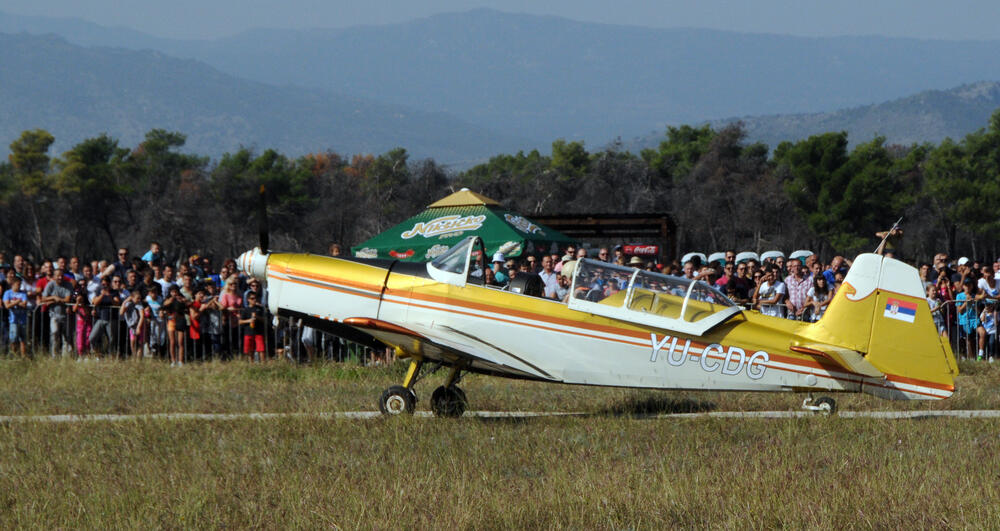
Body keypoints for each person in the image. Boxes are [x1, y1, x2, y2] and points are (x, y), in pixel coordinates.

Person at [41, 266, 74, 357]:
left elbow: (67, 299)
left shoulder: (68, 285)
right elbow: (43, 298)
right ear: (54, 276)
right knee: (54, 333)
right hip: (54, 315)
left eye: (61, 276)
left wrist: (55, 300)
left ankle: (66, 357)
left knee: (66, 337)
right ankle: (54, 355)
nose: (60, 278)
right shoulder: (50, 285)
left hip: (66, 315)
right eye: (58, 276)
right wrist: (53, 297)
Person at [163, 286, 190, 367]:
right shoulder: (168, 299)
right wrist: (170, 300)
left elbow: (188, 305)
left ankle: (180, 361)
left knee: (180, 342)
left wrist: (183, 301)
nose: (174, 293)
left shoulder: (181, 298)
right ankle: (173, 360)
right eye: (172, 292)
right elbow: (164, 305)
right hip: (171, 321)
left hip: (180, 320)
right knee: (172, 342)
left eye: (175, 292)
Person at [3, 276, 29, 359]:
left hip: (23, 320)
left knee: (23, 339)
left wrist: (13, 302)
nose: (19, 286)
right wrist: (18, 301)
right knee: (13, 339)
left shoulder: (23, 293)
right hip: (13, 320)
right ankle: (14, 355)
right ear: (12, 284)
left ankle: (23, 356)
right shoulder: (7, 293)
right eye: (18, 284)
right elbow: (7, 305)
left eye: (20, 284)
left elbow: (24, 304)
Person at [239, 292, 266, 363]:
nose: (254, 300)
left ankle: (263, 364)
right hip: (248, 332)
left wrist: (257, 317)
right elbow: (240, 321)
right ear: (248, 299)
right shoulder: (245, 310)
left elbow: (265, 320)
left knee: (261, 349)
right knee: (249, 349)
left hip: (258, 332)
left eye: (255, 298)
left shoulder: (260, 309)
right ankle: (251, 364)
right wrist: (249, 320)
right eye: (252, 298)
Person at [955, 279, 979, 359]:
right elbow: (960, 311)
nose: (967, 287)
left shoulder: (974, 296)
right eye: (966, 285)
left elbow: (978, 311)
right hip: (964, 320)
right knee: (968, 339)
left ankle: (979, 355)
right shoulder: (959, 296)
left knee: (980, 334)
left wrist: (972, 303)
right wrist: (966, 302)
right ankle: (971, 357)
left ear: (972, 286)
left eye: (969, 285)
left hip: (974, 319)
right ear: (963, 286)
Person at [120, 289, 146, 360]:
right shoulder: (128, 304)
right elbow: (121, 312)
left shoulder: (139, 304)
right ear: (132, 297)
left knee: (140, 343)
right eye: (137, 298)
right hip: (132, 326)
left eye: (140, 298)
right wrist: (125, 301)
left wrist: (138, 327)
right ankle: (134, 357)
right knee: (132, 342)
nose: (139, 299)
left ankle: (138, 359)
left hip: (140, 325)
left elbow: (142, 316)